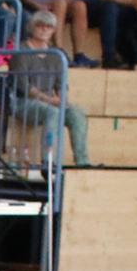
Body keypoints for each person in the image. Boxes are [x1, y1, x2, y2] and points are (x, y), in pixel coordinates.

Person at [11, 10, 93, 167]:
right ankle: (48, 161)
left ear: (53, 30)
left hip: (49, 102)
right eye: (40, 25)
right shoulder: (21, 52)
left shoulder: (56, 54)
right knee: (52, 112)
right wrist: (51, 100)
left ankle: (82, 161)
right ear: (32, 27)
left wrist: (63, 100)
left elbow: (61, 84)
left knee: (77, 113)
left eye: (48, 26)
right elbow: (24, 86)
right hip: (23, 102)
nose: (44, 29)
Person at [20, 0, 99, 67]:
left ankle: (78, 55)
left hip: (57, 3)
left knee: (79, 5)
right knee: (60, 3)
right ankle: (59, 50)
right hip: (36, 1)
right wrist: (35, 4)